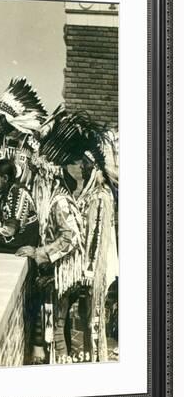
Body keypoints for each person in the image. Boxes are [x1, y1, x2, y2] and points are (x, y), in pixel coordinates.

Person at [16, 110, 107, 364]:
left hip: (63, 276)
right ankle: (55, 365)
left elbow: (71, 238)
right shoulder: (56, 201)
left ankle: (60, 372)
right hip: (57, 275)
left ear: (47, 177)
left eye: (38, 175)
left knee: (55, 330)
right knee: (53, 328)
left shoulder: (59, 202)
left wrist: (39, 253)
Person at [77, 150, 118, 362]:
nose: (80, 167)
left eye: (84, 164)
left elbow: (98, 236)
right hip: (88, 266)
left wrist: (90, 268)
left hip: (95, 269)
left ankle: (95, 362)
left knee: (95, 316)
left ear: (94, 168)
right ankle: (89, 359)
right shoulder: (91, 193)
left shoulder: (101, 197)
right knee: (86, 315)